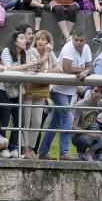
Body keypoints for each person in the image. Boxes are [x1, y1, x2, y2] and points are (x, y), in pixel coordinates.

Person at [38, 32, 91, 161]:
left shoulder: (87, 48)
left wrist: (86, 70)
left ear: (85, 40)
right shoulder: (68, 47)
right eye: (76, 40)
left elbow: (89, 66)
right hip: (58, 89)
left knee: (55, 122)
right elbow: (67, 68)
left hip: (69, 90)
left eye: (81, 40)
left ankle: (43, 152)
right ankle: (64, 152)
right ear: (72, 39)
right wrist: (83, 70)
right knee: (68, 117)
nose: (78, 42)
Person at [0, 31, 39, 157]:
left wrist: (36, 65)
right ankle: (3, 150)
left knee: (20, 121)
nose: (25, 40)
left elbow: (30, 67)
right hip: (4, 90)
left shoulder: (25, 53)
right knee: (4, 119)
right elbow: (9, 69)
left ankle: (12, 148)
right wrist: (27, 65)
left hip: (18, 90)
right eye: (21, 38)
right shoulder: (6, 51)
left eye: (24, 38)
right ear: (14, 41)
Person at [24, 30, 61, 159]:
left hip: (41, 90)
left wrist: (46, 70)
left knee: (37, 121)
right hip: (29, 90)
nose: (40, 41)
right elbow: (36, 68)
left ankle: (31, 147)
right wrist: (46, 55)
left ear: (48, 42)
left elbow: (59, 68)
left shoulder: (50, 54)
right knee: (26, 120)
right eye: (39, 39)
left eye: (44, 39)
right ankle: (24, 149)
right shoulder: (31, 52)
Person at [71, 86, 102, 161]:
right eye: (96, 91)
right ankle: (80, 153)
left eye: (100, 92)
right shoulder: (80, 105)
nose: (98, 94)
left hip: (92, 128)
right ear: (90, 91)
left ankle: (94, 154)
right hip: (78, 134)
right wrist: (88, 133)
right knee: (86, 140)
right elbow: (73, 127)